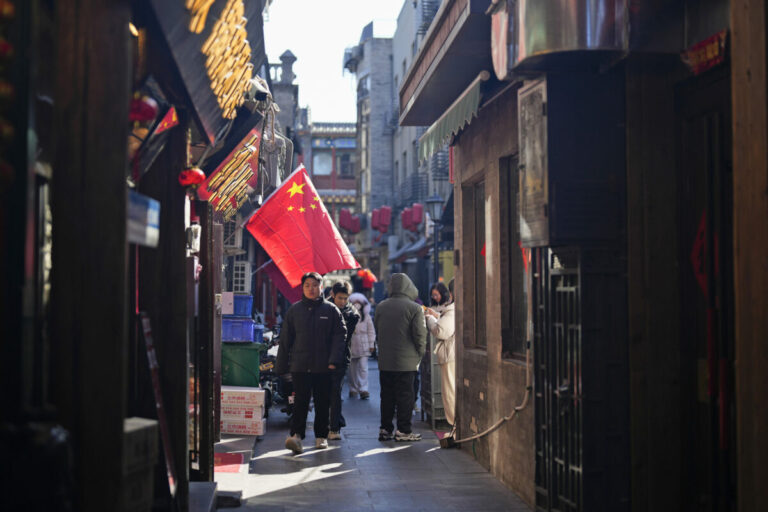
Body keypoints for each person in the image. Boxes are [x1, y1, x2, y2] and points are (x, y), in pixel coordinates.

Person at [276, 272, 346, 454]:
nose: (311, 289)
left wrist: (333, 361)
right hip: (300, 366)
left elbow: (340, 336)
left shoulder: (331, 310)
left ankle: (321, 437)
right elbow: (285, 340)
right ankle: (296, 436)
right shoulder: (294, 310)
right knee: (300, 401)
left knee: (323, 402)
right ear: (302, 288)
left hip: (324, 366)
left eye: (315, 285)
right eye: (307, 285)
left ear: (321, 287)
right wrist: (282, 366)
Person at [374, 273, 427, 442]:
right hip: (407, 362)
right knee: (405, 396)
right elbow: (420, 335)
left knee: (387, 396)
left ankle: (385, 428)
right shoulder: (414, 308)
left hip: (386, 361)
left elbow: (378, 330)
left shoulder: (381, 306)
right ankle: (403, 430)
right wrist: (420, 353)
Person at [328, 281, 359, 440]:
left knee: (335, 392)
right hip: (322, 357)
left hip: (341, 357)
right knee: (325, 393)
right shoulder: (324, 307)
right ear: (332, 294)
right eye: (340, 298)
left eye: (345, 298)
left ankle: (334, 428)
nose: (343, 301)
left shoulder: (351, 314)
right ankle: (335, 421)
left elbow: (342, 337)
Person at [424, 280, 456, 426]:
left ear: (449, 293)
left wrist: (430, 319)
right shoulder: (453, 310)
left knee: (449, 392)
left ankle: (454, 424)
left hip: (450, 355)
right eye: (433, 295)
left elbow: (440, 331)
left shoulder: (451, 310)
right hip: (453, 354)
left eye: (437, 294)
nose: (435, 297)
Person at [347, 292, 375, 400]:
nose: (357, 304)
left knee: (363, 368)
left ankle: (363, 388)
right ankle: (353, 388)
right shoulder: (348, 315)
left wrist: (372, 344)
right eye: (355, 302)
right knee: (352, 369)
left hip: (364, 344)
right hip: (352, 344)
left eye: (359, 302)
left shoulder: (366, 316)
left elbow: (371, 331)